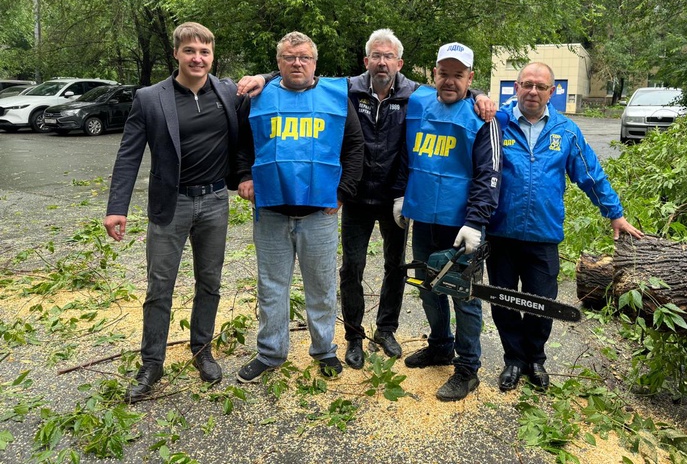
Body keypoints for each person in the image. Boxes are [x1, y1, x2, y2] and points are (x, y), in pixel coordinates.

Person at [236, 29, 496, 370]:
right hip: (356, 198)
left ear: (399, 63)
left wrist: (479, 96)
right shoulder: (344, 88)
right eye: (376, 55)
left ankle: (386, 330)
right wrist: (264, 76)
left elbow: (452, 86)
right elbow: (302, 72)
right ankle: (354, 337)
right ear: (366, 61)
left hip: (395, 199)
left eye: (389, 56)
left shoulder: (415, 95)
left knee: (396, 268)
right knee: (351, 268)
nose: (382, 62)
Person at [104, 22, 247, 403]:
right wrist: (117, 207)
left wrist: (264, 78)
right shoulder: (151, 98)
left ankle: (202, 350)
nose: (197, 58)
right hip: (171, 206)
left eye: (204, 51)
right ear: (177, 54)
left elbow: (273, 74)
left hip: (216, 202)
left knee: (210, 282)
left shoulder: (228, 92)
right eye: (190, 51)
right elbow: (128, 154)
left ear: (212, 55)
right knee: (159, 288)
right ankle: (152, 363)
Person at [487, 62, 643, 392]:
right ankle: (513, 360)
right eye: (526, 84)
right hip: (501, 233)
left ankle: (535, 360)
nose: (532, 91)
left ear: (552, 91)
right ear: (516, 87)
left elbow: (591, 175)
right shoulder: (497, 124)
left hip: (543, 236)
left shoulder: (566, 131)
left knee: (541, 304)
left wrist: (614, 213)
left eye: (540, 86)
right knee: (504, 301)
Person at [235, 31, 364, 382]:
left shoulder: (336, 97)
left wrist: (342, 193)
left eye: (304, 57)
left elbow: (354, 147)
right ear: (278, 64)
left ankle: (324, 350)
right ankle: (270, 353)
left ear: (314, 62)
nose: (297, 63)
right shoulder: (258, 97)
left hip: (319, 216)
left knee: (321, 287)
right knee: (271, 287)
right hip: (272, 213)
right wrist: (244, 175)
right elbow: (242, 144)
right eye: (289, 57)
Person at [396, 42, 502, 402]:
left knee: (464, 296)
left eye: (459, 75)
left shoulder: (482, 117)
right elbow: (403, 155)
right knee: (428, 286)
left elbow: (490, 174)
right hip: (424, 216)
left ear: (470, 78)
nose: (450, 81)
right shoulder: (418, 102)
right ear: (434, 73)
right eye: (444, 73)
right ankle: (440, 345)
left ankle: (468, 368)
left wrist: (476, 221)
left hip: (463, 225)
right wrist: (401, 196)